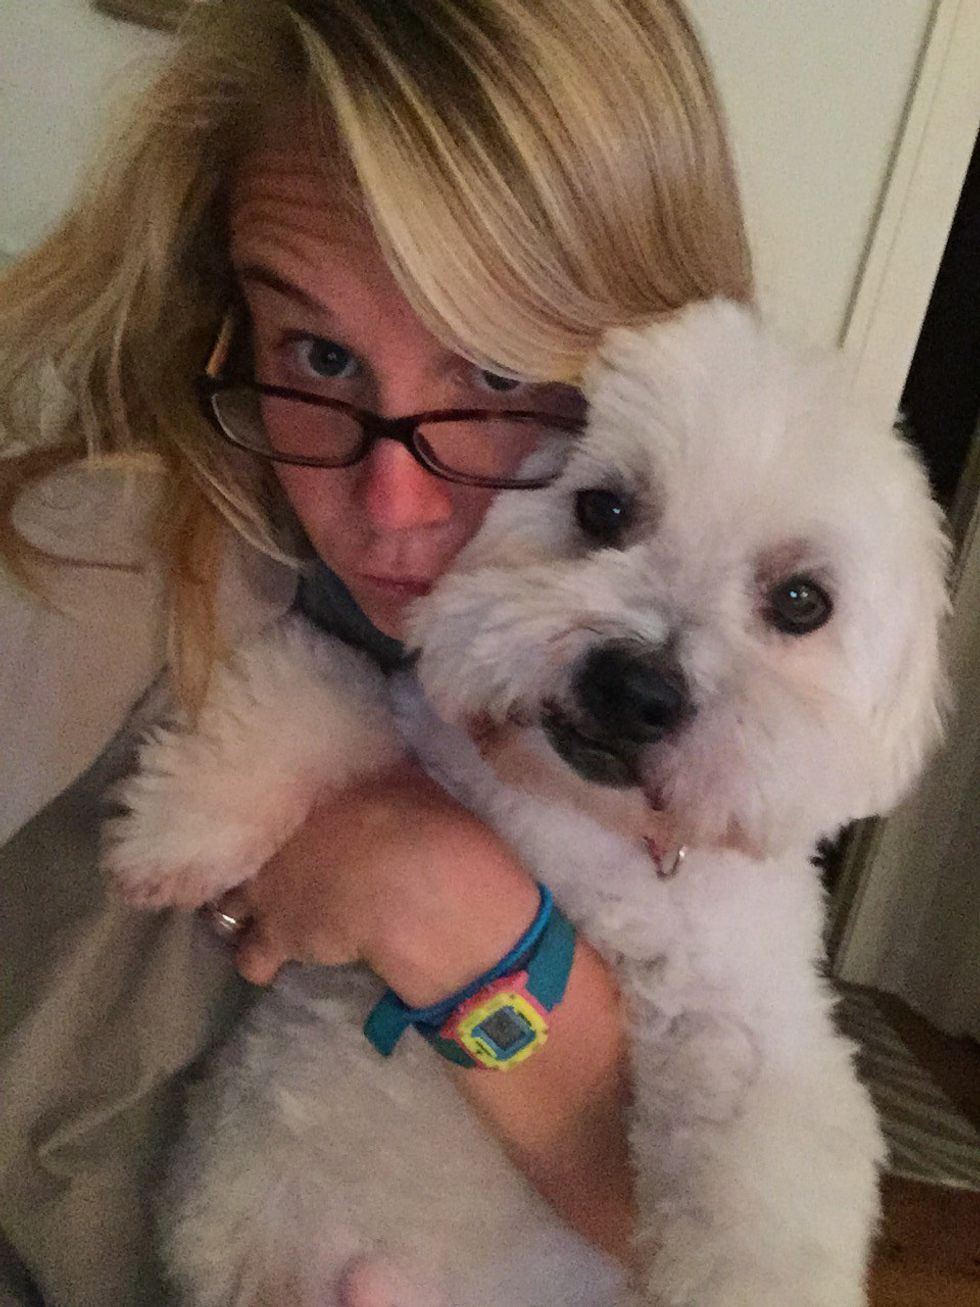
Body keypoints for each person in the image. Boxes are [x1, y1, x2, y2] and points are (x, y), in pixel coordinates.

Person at [0, 1, 752, 1302]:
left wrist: (450, 908)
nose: (394, 508)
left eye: (501, 371)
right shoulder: (115, 562)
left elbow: (711, 1234)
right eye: (321, 353)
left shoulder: (681, 666)